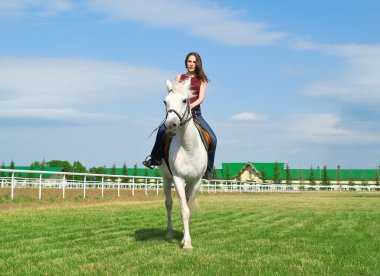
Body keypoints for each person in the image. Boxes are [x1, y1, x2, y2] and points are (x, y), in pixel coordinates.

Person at [142, 52, 217, 180]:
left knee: (213, 139)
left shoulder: (202, 80)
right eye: (189, 61)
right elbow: (174, 94)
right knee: (161, 131)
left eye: (194, 62)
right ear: (186, 63)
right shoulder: (179, 77)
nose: (191, 64)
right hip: (178, 114)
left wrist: (190, 106)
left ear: (197, 63)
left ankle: (208, 169)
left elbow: (201, 99)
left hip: (195, 114)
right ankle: (155, 158)